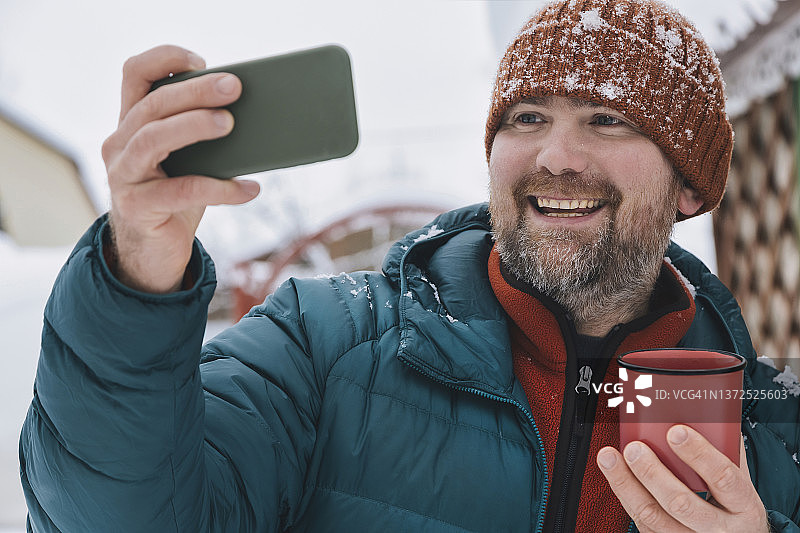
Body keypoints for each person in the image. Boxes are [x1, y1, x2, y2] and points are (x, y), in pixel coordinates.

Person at [19, 0, 800, 531]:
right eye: (528, 118)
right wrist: (137, 274)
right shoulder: (320, 346)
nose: (558, 156)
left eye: (608, 119)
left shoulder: (773, 425)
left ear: (690, 185)